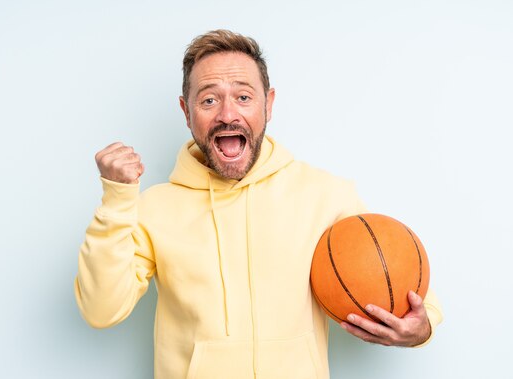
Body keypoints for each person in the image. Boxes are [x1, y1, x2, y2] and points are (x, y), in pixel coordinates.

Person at [74, 29, 443, 379]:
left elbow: (399, 279)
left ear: (268, 105)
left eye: (244, 97)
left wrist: (422, 323)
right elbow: (101, 309)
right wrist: (117, 198)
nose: (228, 114)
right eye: (209, 99)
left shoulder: (326, 195)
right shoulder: (153, 208)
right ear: (186, 112)